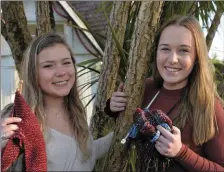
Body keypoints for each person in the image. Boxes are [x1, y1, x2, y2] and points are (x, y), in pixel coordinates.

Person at [105, 15, 224, 172]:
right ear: (156, 53)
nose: (172, 59)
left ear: (196, 57)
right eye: (165, 49)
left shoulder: (208, 105)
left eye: (183, 50)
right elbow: (123, 120)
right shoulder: (142, 88)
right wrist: (112, 107)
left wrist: (181, 153)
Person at [1, 33, 113, 171]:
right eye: (48, 66)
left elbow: (84, 154)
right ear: (33, 73)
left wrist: (126, 127)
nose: (61, 72)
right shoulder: (17, 117)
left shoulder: (75, 112)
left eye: (66, 62)